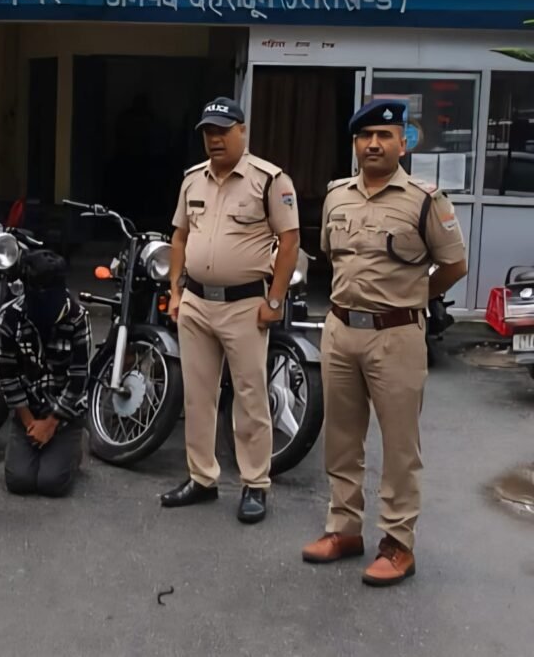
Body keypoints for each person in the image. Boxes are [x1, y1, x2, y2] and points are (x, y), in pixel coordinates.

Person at [301, 99, 467, 586]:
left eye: (384, 136)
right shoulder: (337, 196)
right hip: (340, 331)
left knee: (399, 447)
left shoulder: (425, 200)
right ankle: (343, 529)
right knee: (341, 439)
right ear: (355, 143)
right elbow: (332, 255)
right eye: (364, 136)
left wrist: (413, 297)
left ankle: (397, 543)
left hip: (396, 336)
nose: (373, 144)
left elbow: (454, 265)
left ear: (402, 144)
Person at [162, 97, 301, 524]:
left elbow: (290, 242)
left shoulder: (270, 180)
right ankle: (201, 478)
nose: (215, 139)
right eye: (208, 132)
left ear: (242, 131)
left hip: (245, 306)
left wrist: (274, 301)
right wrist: (176, 291)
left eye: (223, 131)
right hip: (197, 302)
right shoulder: (192, 180)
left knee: (250, 396)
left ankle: (255, 483)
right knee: (198, 396)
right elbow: (179, 237)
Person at [0, 250, 91, 497]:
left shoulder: (77, 317)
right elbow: (7, 375)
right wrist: (30, 423)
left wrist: (51, 423)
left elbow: (79, 378)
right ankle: (38, 444)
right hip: (28, 409)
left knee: (51, 483)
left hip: (65, 413)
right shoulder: (9, 317)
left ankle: (74, 447)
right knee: (19, 481)